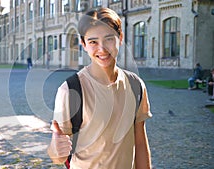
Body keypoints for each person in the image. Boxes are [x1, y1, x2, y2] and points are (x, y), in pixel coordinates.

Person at [47, 7, 152, 169]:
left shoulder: (135, 85)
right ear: (83, 44)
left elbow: (140, 142)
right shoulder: (71, 89)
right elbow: (57, 157)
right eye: (93, 42)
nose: (102, 49)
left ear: (120, 38)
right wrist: (56, 148)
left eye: (109, 39)